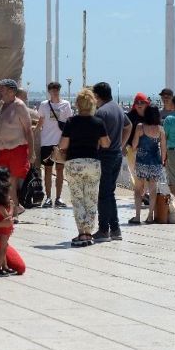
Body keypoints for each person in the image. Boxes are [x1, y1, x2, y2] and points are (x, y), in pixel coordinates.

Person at [57, 88, 110, 246]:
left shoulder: (71, 122)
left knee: (78, 198)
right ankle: (88, 232)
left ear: (78, 104)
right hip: (93, 162)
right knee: (91, 198)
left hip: (74, 163)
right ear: (92, 104)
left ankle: (82, 233)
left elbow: (63, 145)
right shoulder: (98, 122)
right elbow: (106, 143)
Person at [0, 78, 35, 221]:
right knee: (2, 181)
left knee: (11, 182)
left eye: (2, 88)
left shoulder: (19, 106)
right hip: (3, 149)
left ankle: (14, 214)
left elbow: (28, 130)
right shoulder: (2, 104)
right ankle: (16, 208)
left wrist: (32, 152)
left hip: (17, 148)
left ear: (11, 91)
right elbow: (0, 125)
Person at [92, 82, 131, 242]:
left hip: (105, 156)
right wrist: (121, 144)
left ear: (97, 95)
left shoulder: (101, 112)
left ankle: (104, 229)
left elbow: (97, 138)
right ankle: (115, 229)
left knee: (103, 194)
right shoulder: (118, 108)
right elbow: (129, 126)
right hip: (116, 155)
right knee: (110, 193)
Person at [36, 82, 72, 208]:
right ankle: (48, 197)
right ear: (49, 91)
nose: (55, 92)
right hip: (46, 141)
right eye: (52, 90)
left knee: (60, 170)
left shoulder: (66, 104)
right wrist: (34, 133)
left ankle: (58, 197)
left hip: (61, 143)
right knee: (47, 170)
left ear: (59, 90)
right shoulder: (44, 105)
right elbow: (41, 121)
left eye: (56, 89)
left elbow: (70, 122)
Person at [131, 104, 167, 225]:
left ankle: (137, 217)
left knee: (138, 189)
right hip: (155, 162)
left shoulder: (140, 127)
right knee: (152, 190)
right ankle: (150, 216)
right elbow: (163, 149)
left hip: (142, 161)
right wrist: (162, 161)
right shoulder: (160, 129)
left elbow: (134, 145)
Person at [125, 93, 151, 223]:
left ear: (147, 104)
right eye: (137, 102)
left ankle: (143, 194)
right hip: (132, 149)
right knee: (135, 174)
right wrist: (123, 145)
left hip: (147, 150)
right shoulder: (129, 116)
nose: (140, 104)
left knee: (147, 176)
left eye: (142, 102)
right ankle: (141, 195)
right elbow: (124, 132)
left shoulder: (150, 116)